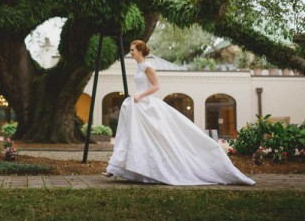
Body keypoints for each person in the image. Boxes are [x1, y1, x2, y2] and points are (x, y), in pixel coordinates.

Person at [103, 40, 254, 186]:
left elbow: (156, 86)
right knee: (132, 136)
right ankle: (117, 168)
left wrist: (140, 96)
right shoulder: (138, 67)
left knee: (154, 137)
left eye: (132, 50)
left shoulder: (147, 67)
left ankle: (154, 168)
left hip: (145, 104)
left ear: (140, 51)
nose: (130, 53)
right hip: (138, 105)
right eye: (130, 50)